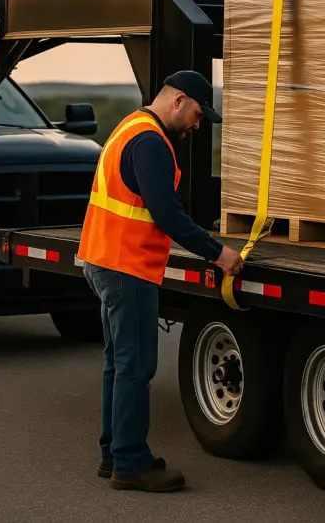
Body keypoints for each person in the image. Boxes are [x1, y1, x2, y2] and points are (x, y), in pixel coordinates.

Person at [77, 70, 244, 493]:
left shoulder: (129, 127)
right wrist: (218, 253)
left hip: (105, 260)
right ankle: (131, 464)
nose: (197, 124)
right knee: (136, 367)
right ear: (178, 100)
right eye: (197, 115)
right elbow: (167, 214)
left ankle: (113, 454)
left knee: (118, 364)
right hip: (126, 267)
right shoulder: (151, 142)